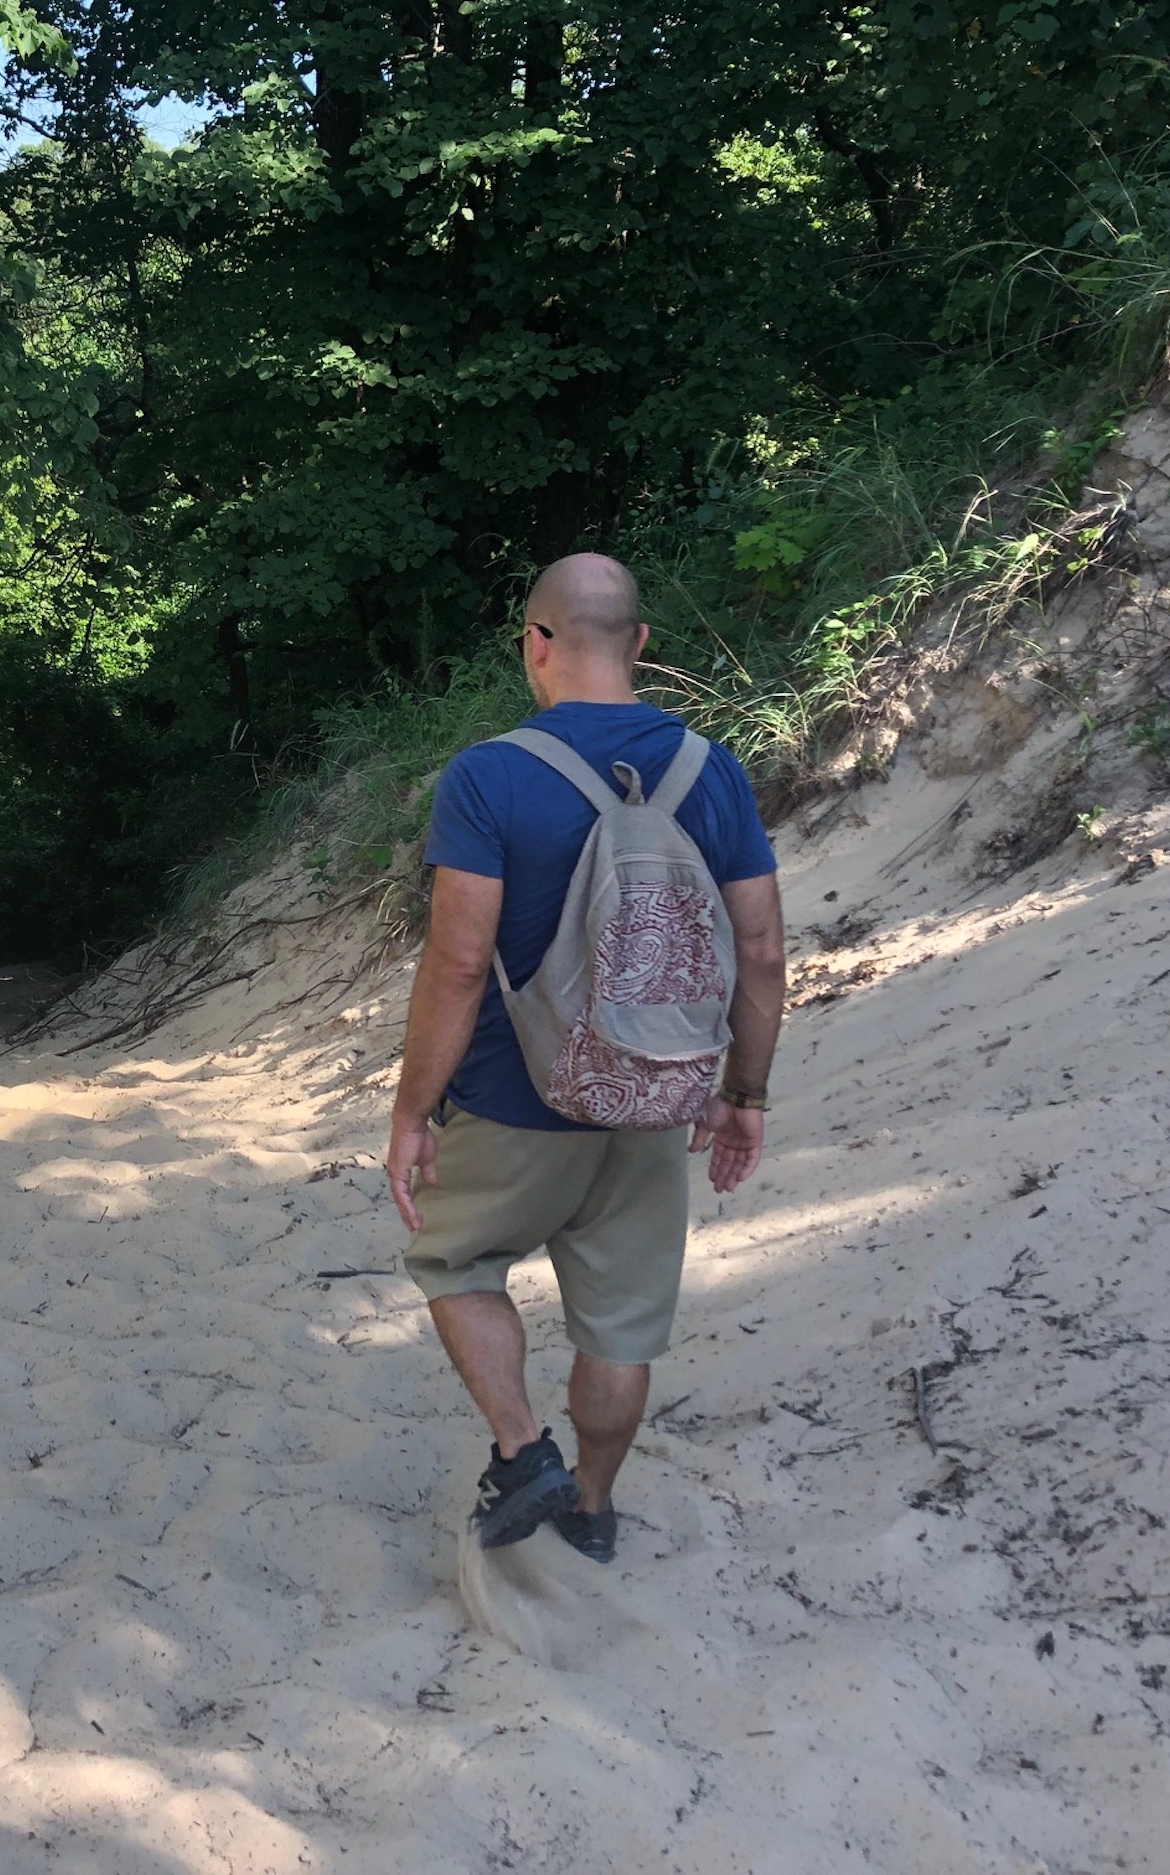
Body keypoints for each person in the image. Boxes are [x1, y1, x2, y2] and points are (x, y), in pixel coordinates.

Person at [385, 553, 786, 1563]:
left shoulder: (488, 775)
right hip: (655, 1097)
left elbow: (461, 959)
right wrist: (743, 1093)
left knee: (456, 1259)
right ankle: (591, 1513)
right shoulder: (713, 769)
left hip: (512, 1102)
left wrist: (410, 1111)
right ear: (640, 644)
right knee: (619, 1327)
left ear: (535, 644)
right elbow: (763, 950)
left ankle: (524, 1454)